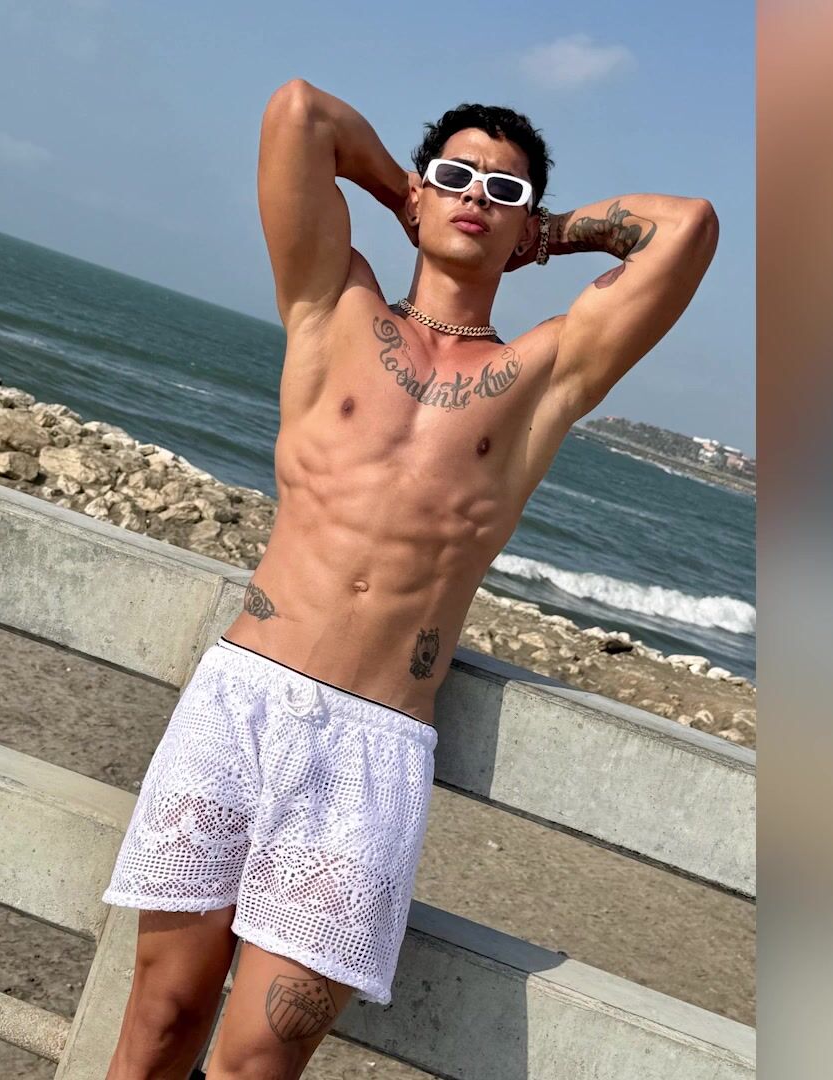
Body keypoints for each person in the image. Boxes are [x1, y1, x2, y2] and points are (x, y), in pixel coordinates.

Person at [98, 79, 717, 1080]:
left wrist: (547, 232)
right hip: (242, 704)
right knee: (162, 1017)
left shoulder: (545, 373)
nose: (478, 196)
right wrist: (404, 191)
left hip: (372, 748)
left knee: (256, 1061)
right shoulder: (329, 304)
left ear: (524, 224)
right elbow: (300, 115)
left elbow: (685, 227)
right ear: (423, 194)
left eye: (505, 190)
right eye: (457, 176)